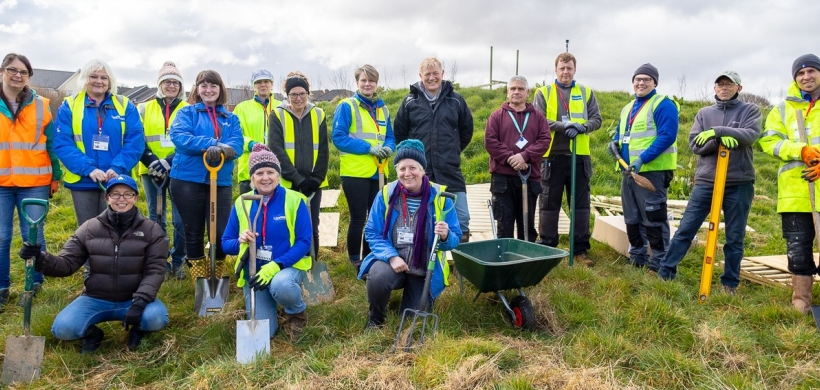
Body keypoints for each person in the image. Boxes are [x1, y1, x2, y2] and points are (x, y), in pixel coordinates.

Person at [18, 174, 168, 353]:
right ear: (107, 198)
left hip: (133, 298)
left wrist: (139, 303)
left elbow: (155, 271)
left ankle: (138, 328)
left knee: (156, 318)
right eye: (115, 194)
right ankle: (92, 334)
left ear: (135, 198)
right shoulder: (89, 228)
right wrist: (40, 259)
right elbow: (66, 264)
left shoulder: (151, 230)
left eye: (128, 194)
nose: (122, 199)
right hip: (95, 298)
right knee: (63, 329)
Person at [658, 71, 761, 293]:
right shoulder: (704, 113)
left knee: (735, 235)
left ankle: (729, 283)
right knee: (686, 228)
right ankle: (665, 272)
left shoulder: (750, 110)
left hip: (739, 182)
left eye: (729, 84)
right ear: (714, 88)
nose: (724, 88)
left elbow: (750, 135)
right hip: (706, 182)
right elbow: (695, 145)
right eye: (720, 84)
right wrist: (719, 140)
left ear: (739, 88)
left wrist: (717, 131)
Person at [358, 139, 461, 329]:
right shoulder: (386, 194)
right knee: (378, 277)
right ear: (396, 171)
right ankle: (376, 319)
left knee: (412, 320)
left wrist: (446, 236)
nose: (407, 174)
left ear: (423, 170)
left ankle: (412, 298)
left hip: (423, 268)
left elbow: (455, 239)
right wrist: (391, 257)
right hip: (393, 262)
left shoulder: (441, 198)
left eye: (413, 167)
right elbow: (372, 232)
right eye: (402, 168)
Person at [222, 144, 311, 339]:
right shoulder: (242, 202)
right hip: (254, 273)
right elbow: (226, 243)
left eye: (270, 172)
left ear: (278, 175)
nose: (265, 178)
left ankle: (296, 312)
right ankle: (271, 306)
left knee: (281, 285)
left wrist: (276, 266)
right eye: (259, 173)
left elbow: (304, 242)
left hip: (287, 267)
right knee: (265, 334)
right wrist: (240, 241)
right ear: (252, 178)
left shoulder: (295, 200)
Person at [0, 53, 63, 310]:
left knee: (33, 234)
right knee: (2, 236)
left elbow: (52, 144)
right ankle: (2, 287)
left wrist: (56, 176)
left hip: (35, 180)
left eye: (23, 72)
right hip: (1, 182)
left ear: (28, 77)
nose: (17, 75)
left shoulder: (41, 105)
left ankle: (35, 282)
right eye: (12, 70)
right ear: (2, 71)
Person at [168, 70, 243, 280]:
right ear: (197, 89)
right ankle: (200, 280)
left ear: (220, 90)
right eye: (204, 86)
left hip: (220, 181)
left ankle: (216, 275)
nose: (208, 90)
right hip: (186, 180)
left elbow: (238, 143)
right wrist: (212, 144)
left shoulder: (231, 117)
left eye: (213, 86)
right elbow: (180, 138)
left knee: (220, 232)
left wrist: (228, 150)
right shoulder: (186, 113)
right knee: (193, 231)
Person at [760, 54, 820, 314]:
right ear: (795, 78)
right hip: (794, 194)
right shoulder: (783, 109)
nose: (806, 77)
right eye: (800, 73)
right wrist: (800, 150)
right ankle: (801, 303)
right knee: (798, 250)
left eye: (812, 71)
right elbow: (768, 142)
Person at [54, 59, 144, 228]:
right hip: (83, 180)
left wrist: (117, 167)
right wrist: (89, 169)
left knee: (117, 228)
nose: (99, 81)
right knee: (87, 230)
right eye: (93, 76)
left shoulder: (125, 105)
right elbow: (62, 143)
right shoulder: (70, 106)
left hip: (116, 180)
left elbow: (135, 141)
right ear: (85, 79)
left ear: (110, 81)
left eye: (104, 77)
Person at [394, 57, 474, 243]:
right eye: (427, 74)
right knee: (420, 218)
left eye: (435, 73)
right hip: (420, 174)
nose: (432, 78)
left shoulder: (456, 100)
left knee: (462, 218)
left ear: (442, 74)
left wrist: (453, 150)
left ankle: (461, 264)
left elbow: (467, 130)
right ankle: (420, 260)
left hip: (450, 170)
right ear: (420, 76)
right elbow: (400, 134)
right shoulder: (409, 102)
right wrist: (413, 162)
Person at [534, 53, 602, 266]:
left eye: (569, 68)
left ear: (575, 70)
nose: (565, 72)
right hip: (551, 157)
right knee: (548, 204)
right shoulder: (543, 92)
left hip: (578, 156)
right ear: (556, 69)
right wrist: (564, 126)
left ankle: (579, 250)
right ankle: (548, 248)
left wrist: (582, 127)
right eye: (562, 68)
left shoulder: (586, 92)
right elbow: (539, 119)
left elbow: (596, 119)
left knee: (580, 206)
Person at [612, 63, 680, 272]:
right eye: (637, 79)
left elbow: (667, 136)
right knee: (632, 216)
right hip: (628, 172)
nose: (641, 83)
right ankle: (637, 256)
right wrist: (614, 142)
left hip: (652, 172)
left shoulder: (663, 104)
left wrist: (643, 159)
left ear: (654, 82)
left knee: (654, 216)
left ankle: (659, 260)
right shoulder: (628, 107)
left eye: (646, 79)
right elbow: (621, 133)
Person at [331, 64, 395, 271]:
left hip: (379, 171)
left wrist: (388, 148)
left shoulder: (383, 109)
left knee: (374, 217)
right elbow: (339, 137)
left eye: (371, 80)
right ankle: (354, 259)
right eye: (363, 80)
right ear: (357, 83)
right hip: (355, 172)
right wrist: (369, 148)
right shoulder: (347, 106)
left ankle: (369, 256)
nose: (368, 84)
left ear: (377, 83)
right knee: (358, 217)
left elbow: (390, 137)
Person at [136, 61, 188, 280]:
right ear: (159, 84)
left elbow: (189, 140)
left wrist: (168, 161)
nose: (171, 86)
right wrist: (152, 162)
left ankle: (180, 261)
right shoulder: (144, 108)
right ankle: (159, 261)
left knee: (180, 218)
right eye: (167, 81)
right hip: (151, 170)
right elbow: (136, 138)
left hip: (180, 168)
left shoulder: (188, 109)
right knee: (156, 216)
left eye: (175, 82)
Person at [268, 71, 328, 256]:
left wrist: (315, 179)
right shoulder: (277, 116)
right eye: (293, 94)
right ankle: (290, 264)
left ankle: (311, 264)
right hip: (288, 183)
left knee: (311, 224)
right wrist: (298, 179)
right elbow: (276, 150)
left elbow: (324, 150)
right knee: (288, 225)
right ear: (287, 96)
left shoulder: (318, 114)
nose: (298, 98)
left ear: (308, 94)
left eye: (302, 93)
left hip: (313, 183)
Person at [485, 76, 551, 241]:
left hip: (529, 178)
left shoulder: (538, 117)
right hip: (503, 181)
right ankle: (504, 262)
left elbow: (545, 140)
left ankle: (525, 261)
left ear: (527, 93)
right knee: (504, 223)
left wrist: (525, 156)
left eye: (520, 89)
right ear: (507, 93)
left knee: (526, 225)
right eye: (512, 89)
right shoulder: (496, 116)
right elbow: (490, 142)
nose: (516, 92)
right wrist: (510, 158)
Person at [235, 68, 282, 195]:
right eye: (259, 82)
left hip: (277, 171)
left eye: (266, 81)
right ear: (253, 85)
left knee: (276, 213)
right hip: (248, 172)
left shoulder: (282, 106)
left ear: (271, 84)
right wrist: (251, 144)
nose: (263, 85)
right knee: (251, 213)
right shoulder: (241, 108)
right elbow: (235, 135)